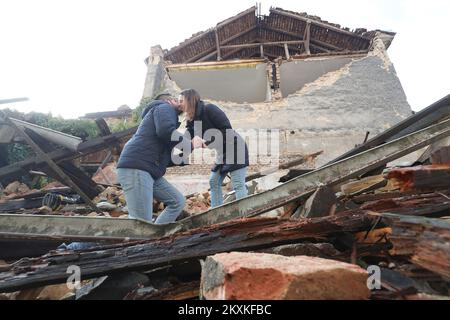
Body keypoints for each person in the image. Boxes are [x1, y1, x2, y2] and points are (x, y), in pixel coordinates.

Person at [116, 93, 188, 224]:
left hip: (149, 170)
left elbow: (165, 158)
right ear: (169, 101)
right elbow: (166, 131)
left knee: (177, 201)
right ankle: (144, 242)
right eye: (178, 100)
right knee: (142, 223)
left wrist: (184, 157)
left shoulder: (163, 117)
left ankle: (156, 237)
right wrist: (189, 143)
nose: (181, 103)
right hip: (137, 168)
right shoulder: (164, 107)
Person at [179, 89, 249, 208]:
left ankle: (246, 216)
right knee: (214, 182)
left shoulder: (209, 109)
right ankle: (217, 213)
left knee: (237, 184)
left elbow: (227, 130)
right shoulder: (192, 119)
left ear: (190, 100)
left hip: (236, 149)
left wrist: (207, 142)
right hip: (222, 152)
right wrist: (178, 150)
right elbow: (188, 137)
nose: (179, 103)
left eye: (181, 101)